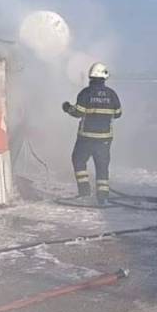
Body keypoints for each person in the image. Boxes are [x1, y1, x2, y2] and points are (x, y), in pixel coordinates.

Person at [62, 62, 122, 205]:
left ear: (91, 76)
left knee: (78, 161)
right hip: (105, 139)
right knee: (102, 167)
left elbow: (78, 112)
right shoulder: (112, 94)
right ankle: (103, 197)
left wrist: (67, 108)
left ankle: (84, 191)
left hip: (86, 138)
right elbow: (118, 114)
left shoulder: (86, 93)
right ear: (104, 77)